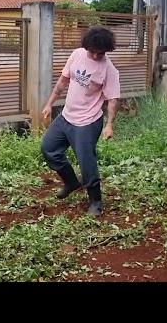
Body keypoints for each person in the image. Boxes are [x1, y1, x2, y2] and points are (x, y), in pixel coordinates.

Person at [40, 26, 120, 216]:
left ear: (106, 51)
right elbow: (62, 81)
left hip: (88, 121)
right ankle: (71, 182)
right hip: (67, 116)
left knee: (87, 162)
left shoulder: (109, 70)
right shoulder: (77, 54)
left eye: (99, 53)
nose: (94, 56)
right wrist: (49, 104)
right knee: (49, 149)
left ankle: (95, 202)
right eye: (92, 52)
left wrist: (109, 125)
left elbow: (113, 99)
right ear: (86, 47)